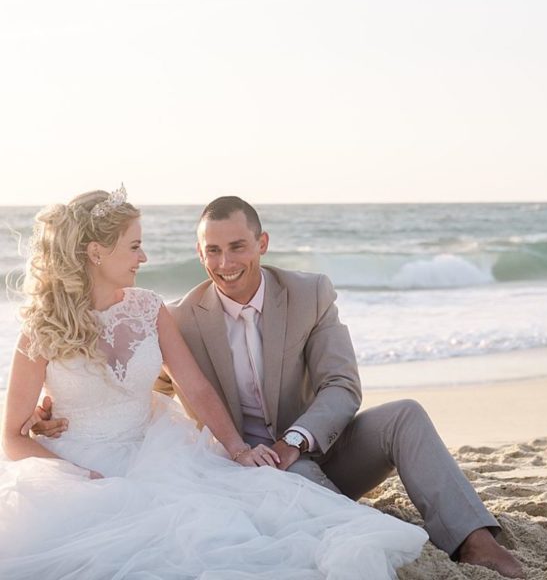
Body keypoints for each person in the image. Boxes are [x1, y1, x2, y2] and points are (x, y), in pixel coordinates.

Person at [0, 187, 428, 579]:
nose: (143, 257)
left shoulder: (149, 308)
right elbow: (12, 439)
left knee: (230, 526)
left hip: (157, 453)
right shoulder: (43, 330)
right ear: (97, 252)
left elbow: (195, 387)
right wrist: (79, 476)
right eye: (134, 246)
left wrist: (238, 449)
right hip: (76, 467)